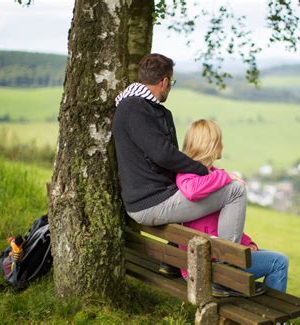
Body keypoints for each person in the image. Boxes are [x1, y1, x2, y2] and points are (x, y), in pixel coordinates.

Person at [112, 53, 248, 247]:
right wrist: (203, 170)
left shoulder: (138, 107)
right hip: (152, 202)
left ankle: (173, 262)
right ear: (164, 81)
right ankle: (229, 264)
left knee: (212, 191)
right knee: (235, 191)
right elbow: (164, 154)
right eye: (171, 82)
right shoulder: (136, 108)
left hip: (151, 199)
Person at [176, 119, 289, 296]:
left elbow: (226, 224)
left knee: (271, 257)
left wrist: (247, 243)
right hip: (209, 269)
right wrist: (224, 176)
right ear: (210, 145)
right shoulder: (190, 175)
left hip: (206, 262)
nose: (222, 145)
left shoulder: (208, 175)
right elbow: (192, 192)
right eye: (219, 140)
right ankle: (264, 316)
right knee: (279, 262)